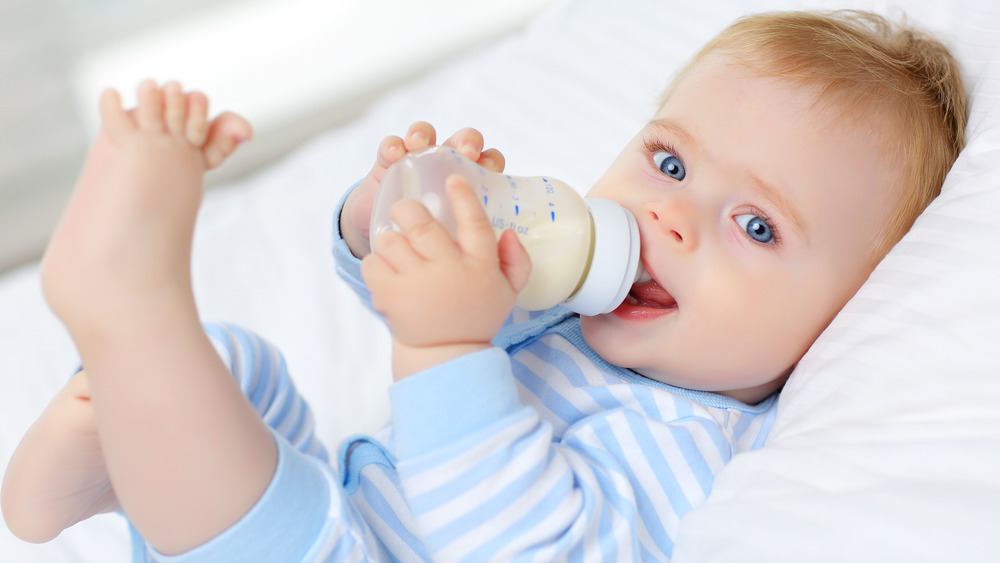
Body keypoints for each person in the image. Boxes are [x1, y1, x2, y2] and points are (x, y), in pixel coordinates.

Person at [1, 9, 966, 562]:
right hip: (336, 498)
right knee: (236, 371)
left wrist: (447, 349)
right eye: (669, 164)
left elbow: (522, 547)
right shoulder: (564, 307)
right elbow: (389, 287)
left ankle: (130, 310)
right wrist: (388, 215)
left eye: (756, 226)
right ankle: (106, 474)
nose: (672, 218)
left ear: (842, 317)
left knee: (261, 502)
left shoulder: (695, 448)